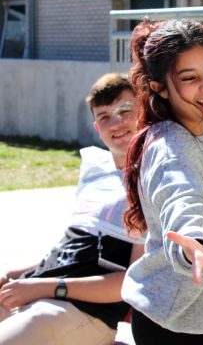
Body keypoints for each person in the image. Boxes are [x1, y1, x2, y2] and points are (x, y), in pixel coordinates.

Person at [121, 19, 203, 345]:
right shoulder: (170, 150)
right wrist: (194, 248)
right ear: (160, 88)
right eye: (190, 78)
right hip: (171, 322)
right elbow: (181, 198)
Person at [0, 73, 145, 345]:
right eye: (104, 117)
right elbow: (73, 254)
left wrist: (43, 287)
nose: (116, 122)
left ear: (142, 112)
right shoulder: (95, 174)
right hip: (42, 295)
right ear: (96, 127)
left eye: (125, 110)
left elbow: (132, 281)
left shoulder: (150, 180)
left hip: (81, 312)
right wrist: (15, 277)